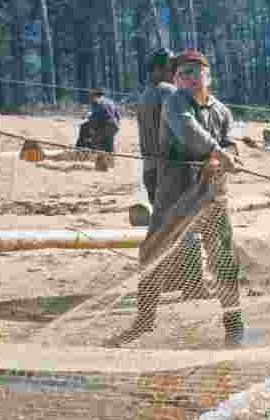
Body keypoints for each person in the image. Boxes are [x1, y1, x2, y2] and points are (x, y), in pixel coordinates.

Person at [116, 50, 245, 347]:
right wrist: (218, 153)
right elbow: (188, 131)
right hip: (174, 192)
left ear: (208, 77)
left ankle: (234, 324)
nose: (190, 78)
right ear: (175, 79)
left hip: (213, 192)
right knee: (154, 251)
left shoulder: (222, 111)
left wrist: (226, 156)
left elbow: (231, 144)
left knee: (223, 257)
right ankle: (145, 320)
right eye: (183, 73)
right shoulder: (174, 103)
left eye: (196, 72)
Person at [135, 49, 177, 208]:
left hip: (149, 169)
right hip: (170, 168)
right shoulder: (169, 91)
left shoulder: (144, 95)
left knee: (160, 217)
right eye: (171, 69)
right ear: (158, 69)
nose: (174, 73)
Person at [77, 88, 121, 153]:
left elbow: (98, 117)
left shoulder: (99, 102)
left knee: (95, 139)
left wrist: (88, 117)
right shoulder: (110, 102)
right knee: (108, 143)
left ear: (96, 96)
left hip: (106, 125)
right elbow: (118, 115)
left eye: (92, 96)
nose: (92, 98)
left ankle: (82, 149)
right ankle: (110, 155)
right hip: (115, 126)